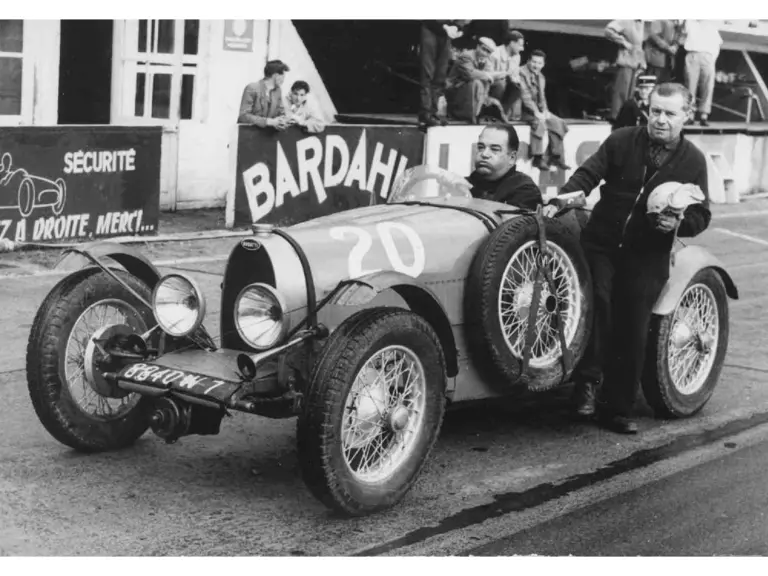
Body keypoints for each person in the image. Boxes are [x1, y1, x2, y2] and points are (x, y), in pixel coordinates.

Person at [555, 82, 711, 434]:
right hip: (602, 244)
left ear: (686, 115)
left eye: (670, 113)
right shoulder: (622, 140)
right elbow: (588, 174)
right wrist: (565, 196)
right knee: (600, 303)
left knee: (634, 327)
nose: (660, 119)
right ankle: (586, 386)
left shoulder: (693, 161)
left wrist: (680, 221)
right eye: (655, 111)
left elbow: (702, 215)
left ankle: (617, 408)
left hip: (648, 255)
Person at [466, 125, 543, 210]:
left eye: (494, 149)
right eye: (481, 147)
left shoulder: (524, 190)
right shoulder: (464, 185)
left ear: (512, 158)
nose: (484, 154)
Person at [519, 50, 570, 171]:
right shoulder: (521, 73)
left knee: (558, 122)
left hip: (537, 110)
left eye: (539, 63)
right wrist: (537, 112)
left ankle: (556, 156)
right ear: (528, 61)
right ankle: (537, 157)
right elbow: (524, 96)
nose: (536, 65)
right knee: (539, 122)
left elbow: (542, 97)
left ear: (543, 64)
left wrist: (545, 111)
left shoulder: (541, 77)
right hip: (522, 110)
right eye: (534, 62)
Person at [419, 20, 470, 128]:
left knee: (440, 75)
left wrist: (457, 26)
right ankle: (426, 112)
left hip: (446, 32)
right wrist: (445, 26)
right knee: (428, 72)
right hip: (431, 27)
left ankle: (434, 111)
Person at [445, 37, 508, 124]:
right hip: (456, 90)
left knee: (500, 83)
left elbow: (488, 76)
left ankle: (484, 111)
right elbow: (470, 74)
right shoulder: (466, 56)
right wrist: (486, 75)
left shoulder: (485, 60)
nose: (485, 53)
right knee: (476, 82)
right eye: (483, 49)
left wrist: (497, 75)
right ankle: (471, 116)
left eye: (488, 52)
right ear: (478, 46)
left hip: (471, 91)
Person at [604, 19, 647, 122]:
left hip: (635, 60)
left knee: (631, 92)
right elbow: (608, 31)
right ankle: (617, 115)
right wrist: (622, 41)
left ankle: (627, 116)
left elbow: (639, 45)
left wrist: (642, 61)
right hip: (626, 59)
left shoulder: (641, 22)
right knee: (622, 89)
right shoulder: (625, 20)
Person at [681, 19, 722, 126]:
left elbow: (717, 44)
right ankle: (690, 116)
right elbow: (683, 31)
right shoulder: (690, 22)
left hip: (708, 56)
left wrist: (712, 59)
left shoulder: (712, 24)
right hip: (692, 54)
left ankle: (704, 115)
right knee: (690, 86)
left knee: (707, 86)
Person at [238, 59, 291, 130]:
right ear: (276, 75)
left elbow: (281, 112)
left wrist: (282, 121)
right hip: (249, 135)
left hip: (269, 136)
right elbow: (243, 116)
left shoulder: (278, 91)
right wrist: (268, 121)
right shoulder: (252, 88)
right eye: (283, 76)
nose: (283, 80)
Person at [489, 29, 525, 120]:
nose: (522, 48)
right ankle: (492, 112)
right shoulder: (495, 53)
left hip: (506, 84)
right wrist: (505, 74)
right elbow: (488, 74)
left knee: (518, 88)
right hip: (492, 85)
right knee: (501, 84)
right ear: (512, 43)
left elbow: (515, 75)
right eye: (520, 45)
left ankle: (503, 112)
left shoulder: (517, 56)